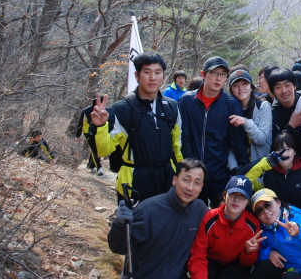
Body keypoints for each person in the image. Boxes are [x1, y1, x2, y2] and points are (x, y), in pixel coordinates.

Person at [91, 52, 183, 202]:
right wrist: (100, 126)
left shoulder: (172, 107)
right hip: (134, 182)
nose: (152, 78)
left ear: (163, 76)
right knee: (135, 219)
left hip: (167, 179)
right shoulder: (122, 109)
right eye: (147, 72)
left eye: (157, 72)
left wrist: (183, 174)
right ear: (137, 75)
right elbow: (104, 150)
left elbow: (178, 146)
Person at [107, 158, 208, 279]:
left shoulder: (200, 210)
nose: (190, 188)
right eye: (186, 180)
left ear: (201, 187)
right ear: (174, 180)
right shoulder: (149, 210)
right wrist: (120, 225)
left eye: (197, 183)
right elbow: (118, 247)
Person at [179, 57, 248, 207]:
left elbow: (237, 139)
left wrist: (242, 167)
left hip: (219, 173)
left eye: (223, 74)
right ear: (203, 74)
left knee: (221, 214)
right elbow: (181, 135)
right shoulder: (186, 101)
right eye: (214, 73)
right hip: (191, 173)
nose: (218, 78)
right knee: (192, 215)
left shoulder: (231, 103)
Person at [187, 175, 261, 279]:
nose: (236, 200)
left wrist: (248, 252)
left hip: (236, 262)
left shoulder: (253, 224)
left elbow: (247, 263)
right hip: (211, 259)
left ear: (247, 202)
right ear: (225, 195)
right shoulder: (208, 217)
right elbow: (197, 254)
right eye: (233, 194)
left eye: (242, 196)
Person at [245, 132, 301, 219]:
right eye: (279, 150)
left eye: (288, 149)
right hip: (273, 220)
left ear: (295, 151)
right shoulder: (267, 173)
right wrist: (267, 162)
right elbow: (246, 182)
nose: (283, 154)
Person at [227, 69, 272, 169]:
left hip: (260, 168)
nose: (241, 88)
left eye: (245, 84)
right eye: (236, 85)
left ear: (251, 87)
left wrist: (246, 123)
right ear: (231, 90)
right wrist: (233, 167)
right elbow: (229, 143)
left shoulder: (263, 106)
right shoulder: (229, 110)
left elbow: (261, 139)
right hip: (238, 168)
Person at [267, 68, 301, 161]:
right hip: (290, 162)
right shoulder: (272, 114)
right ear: (273, 91)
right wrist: (291, 125)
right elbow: (276, 145)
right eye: (278, 87)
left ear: (295, 86)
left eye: (287, 85)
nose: (284, 91)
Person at [75, 98, 114, 176]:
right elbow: (80, 124)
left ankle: (91, 164)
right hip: (88, 133)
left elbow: (110, 123)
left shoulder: (106, 111)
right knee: (94, 149)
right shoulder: (86, 111)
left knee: (96, 148)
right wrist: (78, 135)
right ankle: (99, 167)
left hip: (101, 133)